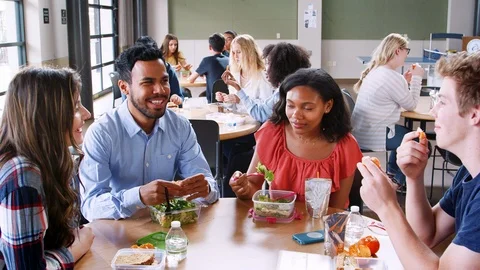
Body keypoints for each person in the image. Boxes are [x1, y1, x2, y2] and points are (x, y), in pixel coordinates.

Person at [358, 51, 480, 269]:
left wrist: (387, 206)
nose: (433, 111)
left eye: (441, 102)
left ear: (474, 114)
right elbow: (426, 235)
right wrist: (413, 177)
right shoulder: (469, 173)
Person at [79, 45, 219, 221]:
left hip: (167, 230)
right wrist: (138, 196)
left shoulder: (179, 127)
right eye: (148, 82)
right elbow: (91, 206)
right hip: (118, 233)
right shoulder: (102, 133)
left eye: (164, 81)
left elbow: (209, 186)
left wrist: (205, 189)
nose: (160, 90)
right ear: (124, 87)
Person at [0, 67, 94, 269]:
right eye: (76, 107)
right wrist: (76, 248)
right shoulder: (22, 178)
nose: (87, 113)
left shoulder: (51, 159)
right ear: (49, 115)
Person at [229, 68, 363, 209]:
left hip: (320, 227)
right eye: (291, 105)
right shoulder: (273, 133)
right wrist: (243, 187)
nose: (296, 115)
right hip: (278, 222)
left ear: (328, 106)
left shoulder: (344, 146)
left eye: (308, 108)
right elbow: (253, 186)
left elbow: (337, 209)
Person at [351, 33, 425, 184]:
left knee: (405, 134)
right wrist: (417, 78)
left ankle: (391, 175)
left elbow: (388, 91)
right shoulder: (392, 77)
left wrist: (404, 81)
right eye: (407, 51)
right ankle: (397, 183)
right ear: (398, 50)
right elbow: (411, 105)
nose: (407, 55)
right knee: (418, 143)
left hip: (362, 131)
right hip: (374, 134)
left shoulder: (377, 70)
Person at [222, 42, 311, 122]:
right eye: (233, 52)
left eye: (268, 63)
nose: (265, 68)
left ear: (279, 67)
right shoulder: (296, 87)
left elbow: (259, 113)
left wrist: (239, 91)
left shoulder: (282, 92)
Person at [216, 34, 275, 113]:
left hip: (257, 122)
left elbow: (266, 107)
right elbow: (234, 106)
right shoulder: (235, 74)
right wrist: (226, 99)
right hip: (239, 120)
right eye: (233, 52)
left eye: (239, 52)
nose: (235, 56)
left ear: (249, 53)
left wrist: (240, 100)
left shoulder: (263, 75)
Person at [133, 36, 183, 105]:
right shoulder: (130, 72)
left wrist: (177, 99)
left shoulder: (168, 69)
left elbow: (179, 97)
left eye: (164, 81)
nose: (158, 90)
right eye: (147, 82)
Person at [188, 33, 229, 103]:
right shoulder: (229, 60)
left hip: (213, 101)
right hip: (228, 99)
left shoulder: (207, 61)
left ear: (210, 47)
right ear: (224, 47)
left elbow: (191, 80)